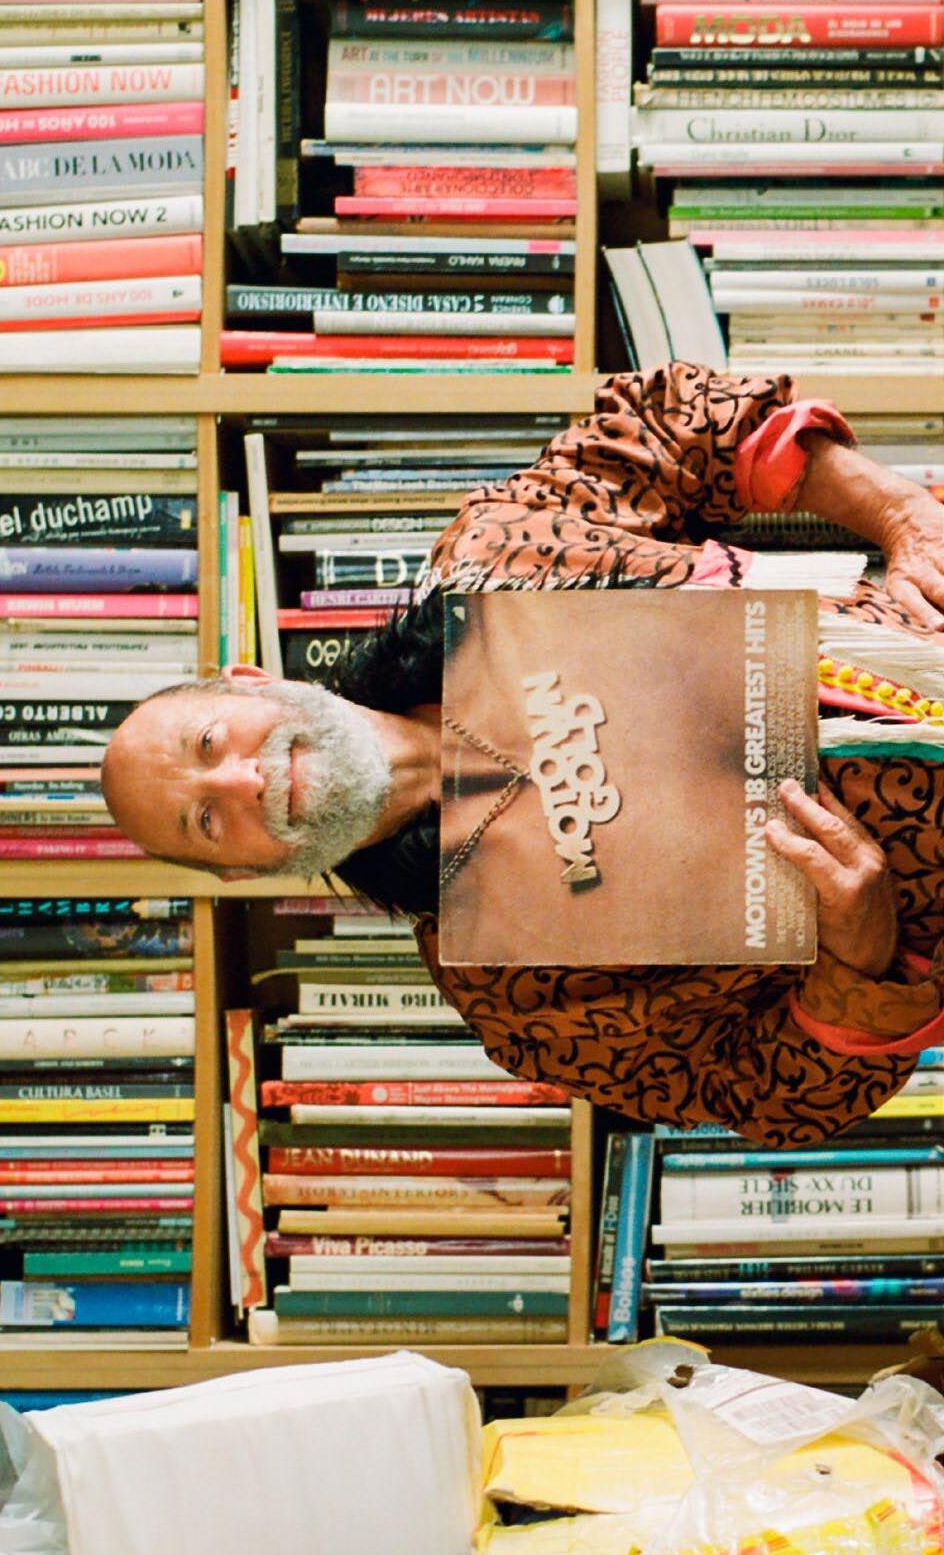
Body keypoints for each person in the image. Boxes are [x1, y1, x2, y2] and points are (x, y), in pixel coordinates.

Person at [101, 363, 944, 1148]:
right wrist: (860, 954)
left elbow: (675, 420)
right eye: (205, 819)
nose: (242, 779)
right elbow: (762, 1095)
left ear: (253, 682)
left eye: (210, 741)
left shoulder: (495, 553)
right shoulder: (509, 991)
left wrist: (900, 515)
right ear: (245, 870)